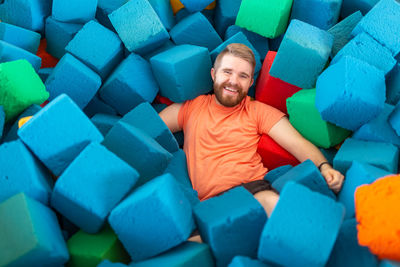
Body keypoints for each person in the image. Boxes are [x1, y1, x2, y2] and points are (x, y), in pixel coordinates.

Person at [159, 43, 344, 218]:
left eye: (243, 76)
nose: (233, 81)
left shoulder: (257, 111)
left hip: (251, 189)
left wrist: (324, 167)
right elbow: (150, 130)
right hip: (211, 205)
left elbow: (297, 143)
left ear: (250, 83)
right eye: (227, 72)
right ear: (214, 74)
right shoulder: (191, 108)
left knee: (269, 202)